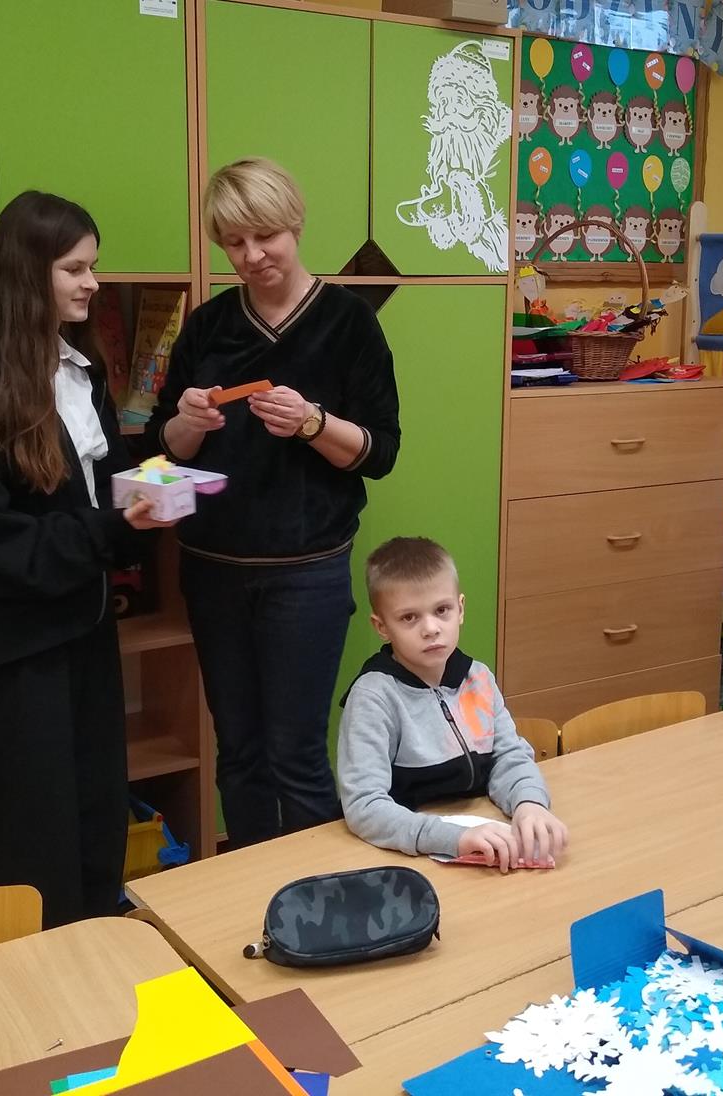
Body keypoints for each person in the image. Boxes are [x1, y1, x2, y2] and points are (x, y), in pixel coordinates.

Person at [143, 158, 401, 848]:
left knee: (297, 755)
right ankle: (252, 888)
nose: (252, 255)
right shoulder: (208, 326)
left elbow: (381, 452)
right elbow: (163, 450)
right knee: (239, 754)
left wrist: (314, 423)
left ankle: (316, 896)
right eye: (234, 243)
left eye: (265, 236)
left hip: (306, 573)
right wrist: (187, 424)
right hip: (212, 569)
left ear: (295, 225)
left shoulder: (348, 323)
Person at [0, 191, 173, 926]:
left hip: (88, 625)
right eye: (75, 269)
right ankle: (44, 970)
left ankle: (99, 947)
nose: (92, 283)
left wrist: (157, 492)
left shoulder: (81, 371)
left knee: (98, 806)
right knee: (37, 831)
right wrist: (109, 527)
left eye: (92, 267)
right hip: (27, 646)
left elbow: (106, 490)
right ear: (28, 273)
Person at [336, 537, 568, 872]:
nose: (431, 629)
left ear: (460, 609)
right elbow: (364, 806)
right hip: (404, 857)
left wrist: (529, 802)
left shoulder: (478, 677)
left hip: (484, 838)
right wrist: (453, 838)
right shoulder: (373, 697)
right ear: (382, 627)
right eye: (409, 617)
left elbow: (508, 756)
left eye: (441, 610)